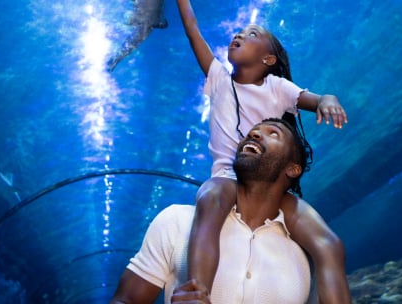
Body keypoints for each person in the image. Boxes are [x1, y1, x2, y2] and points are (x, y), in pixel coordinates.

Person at [170, 0, 351, 303]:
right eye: (238, 32)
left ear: (268, 59)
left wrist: (329, 100)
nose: (239, 35)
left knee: (329, 244)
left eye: (252, 34)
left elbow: (316, 98)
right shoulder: (218, 78)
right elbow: (193, 32)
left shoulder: (277, 87)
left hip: (271, 185)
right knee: (210, 197)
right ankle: (197, 291)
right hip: (229, 176)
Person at [110, 118, 316, 303]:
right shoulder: (176, 221)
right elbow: (125, 300)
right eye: (252, 131)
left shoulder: (300, 261)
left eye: (273, 133)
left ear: (293, 169)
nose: (253, 134)